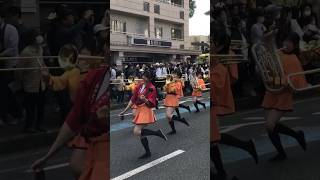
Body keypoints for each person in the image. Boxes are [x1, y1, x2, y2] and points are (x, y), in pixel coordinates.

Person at [32, 65, 109, 180]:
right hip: (89, 138)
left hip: (105, 152)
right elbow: (74, 117)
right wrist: (47, 156)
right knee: (77, 166)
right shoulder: (92, 76)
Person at [210, 54, 258, 180]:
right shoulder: (215, 67)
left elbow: (220, 87)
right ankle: (222, 174)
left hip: (211, 106)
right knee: (212, 141)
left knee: (212, 141)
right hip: (209, 107)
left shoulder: (219, 68)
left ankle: (221, 175)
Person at [262, 33, 308, 161]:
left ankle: (296, 135)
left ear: (295, 45)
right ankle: (281, 152)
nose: (286, 44)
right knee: (269, 126)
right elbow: (268, 67)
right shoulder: (278, 54)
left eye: (290, 42)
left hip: (283, 94)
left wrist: (272, 79)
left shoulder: (294, 59)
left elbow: (291, 81)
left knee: (270, 125)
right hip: (271, 92)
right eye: (286, 40)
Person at [119, 70, 167, 159]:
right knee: (141, 134)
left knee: (136, 131)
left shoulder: (152, 88)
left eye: (146, 77)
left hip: (145, 109)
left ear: (150, 78)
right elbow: (133, 99)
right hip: (139, 109)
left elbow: (151, 104)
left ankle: (157, 133)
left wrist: (145, 99)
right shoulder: (140, 86)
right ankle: (148, 152)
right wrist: (124, 111)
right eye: (143, 76)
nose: (143, 78)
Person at [17, 29, 46, 133]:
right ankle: (29, 126)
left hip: (41, 83)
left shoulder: (40, 49)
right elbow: (19, 70)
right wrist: (21, 81)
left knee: (41, 106)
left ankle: (40, 124)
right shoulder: (26, 52)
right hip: (30, 84)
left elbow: (42, 62)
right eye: (37, 35)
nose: (39, 37)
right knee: (30, 107)